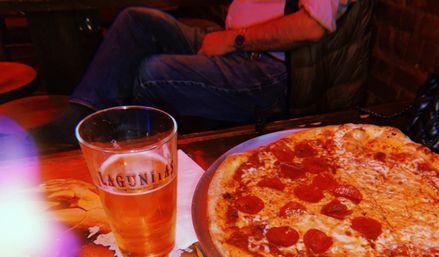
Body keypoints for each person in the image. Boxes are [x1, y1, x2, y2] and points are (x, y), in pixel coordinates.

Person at [34, 1, 355, 143]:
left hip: (273, 70)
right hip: (237, 42)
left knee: (153, 72)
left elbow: (312, 26)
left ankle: (128, 151)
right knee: (137, 20)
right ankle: (81, 117)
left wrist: (233, 39)